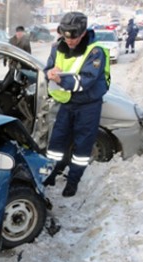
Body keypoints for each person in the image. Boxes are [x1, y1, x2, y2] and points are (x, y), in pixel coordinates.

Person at [43, 11, 111, 197]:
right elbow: (48, 68)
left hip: (88, 105)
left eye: (74, 37)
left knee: (82, 147)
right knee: (56, 143)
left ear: (83, 34)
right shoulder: (58, 47)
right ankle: (50, 174)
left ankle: (73, 182)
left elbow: (86, 80)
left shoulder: (95, 51)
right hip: (66, 103)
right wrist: (49, 73)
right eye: (66, 37)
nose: (70, 41)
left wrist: (60, 80)